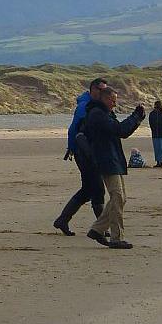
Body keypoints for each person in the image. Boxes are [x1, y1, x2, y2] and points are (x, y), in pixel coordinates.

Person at [85, 86, 144, 249]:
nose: (114, 104)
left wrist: (136, 119)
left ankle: (97, 229)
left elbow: (122, 132)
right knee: (117, 197)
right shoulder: (97, 114)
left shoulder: (104, 113)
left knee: (120, 198)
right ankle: (116, 237)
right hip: (106, 160)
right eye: (113, 101)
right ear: (104, 98)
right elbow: (119, 129)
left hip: (113, 159)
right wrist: (135, 117)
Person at [52, 77, 107, 236]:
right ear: (93, 90)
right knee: (96, 188)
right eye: (101, 90)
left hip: (87, 152)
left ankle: (63, 220)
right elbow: (79, 131)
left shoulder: (93, 106)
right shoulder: (85, 107)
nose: (104, 93)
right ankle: (100, 227)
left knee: (88, 189)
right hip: (84, 153)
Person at [148, 100, 162, 167]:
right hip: (155, 133)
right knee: (156, 148)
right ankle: (158, 161)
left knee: (161, 148)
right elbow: (150, 123)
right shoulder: (152, 114)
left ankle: (161, 161)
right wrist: (153, 130)